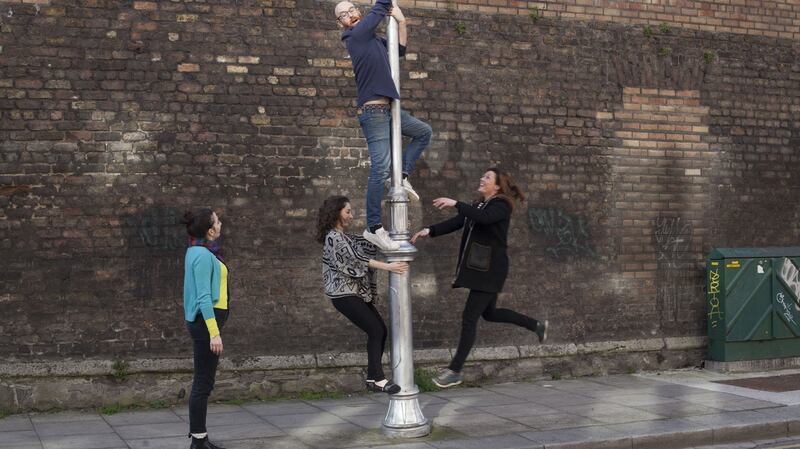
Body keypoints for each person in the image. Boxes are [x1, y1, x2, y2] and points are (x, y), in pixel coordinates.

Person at [411, 168, 549, 388]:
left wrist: (456, 203)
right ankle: (536, 326)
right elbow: (459, 222)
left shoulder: (501, 205)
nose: (482, 179)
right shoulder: (478, 205)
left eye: (487, 177)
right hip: (482, 269)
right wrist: (430, 230)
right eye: (482, 176)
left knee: (469, 318)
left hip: (491, 270)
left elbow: (485, 219)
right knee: (490, 313)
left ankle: (454, 371)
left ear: (497, 186)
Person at [335, 0, 433, 252]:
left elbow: (398, 51)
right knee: (380, 168)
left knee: (423, 132)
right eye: (343, 14)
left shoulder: (372, 40)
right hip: (374, 112)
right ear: (341, 23)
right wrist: (387, 6)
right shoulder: (355, 36)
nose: (350, 15)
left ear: (358, 11)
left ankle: (402, 175)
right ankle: (374, 227)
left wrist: (402, 21)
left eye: (352, 10)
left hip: (390, 111)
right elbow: (381, 5)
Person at [317, 195, 408, 394]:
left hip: (354, 294)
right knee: (375, 330)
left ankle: (372, 378)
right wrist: (389, 267)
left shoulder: (345, 237)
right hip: (343, 295)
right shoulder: (333, 237)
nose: (351, 216)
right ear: (336, 213)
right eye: (348, 211)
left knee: (380, 330)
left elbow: (367, 243)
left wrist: (388, 236)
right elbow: (356, 257)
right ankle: (378, 379)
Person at [182, 209, 229, 449]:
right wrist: (214, 332)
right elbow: (203, 297)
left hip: (206, 322)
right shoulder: (201, 254)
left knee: (205, 382)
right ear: (210, 230)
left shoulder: (199, 251)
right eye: (217, 221)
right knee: (203, 383)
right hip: (205, 323)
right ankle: (198, 443)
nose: (221, 224)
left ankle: (201, 439)